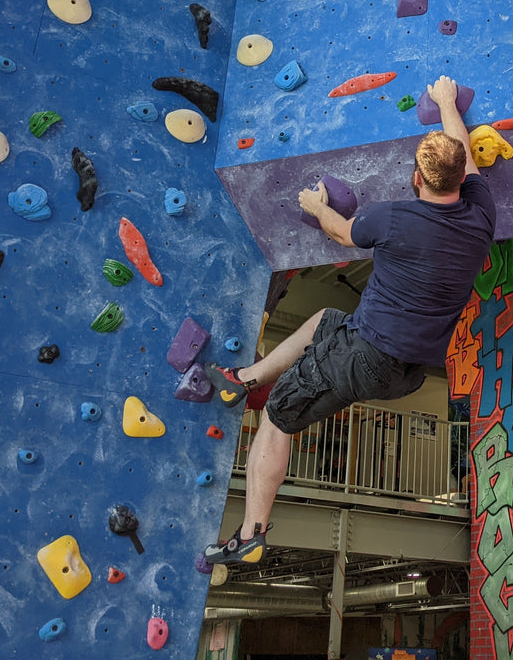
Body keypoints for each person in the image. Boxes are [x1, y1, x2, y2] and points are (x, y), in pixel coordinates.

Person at [202, 75, 497, 566]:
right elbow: (462, 151)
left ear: (416, 179)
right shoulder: (480, 219)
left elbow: (341, 233)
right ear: (460, 177)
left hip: (364, 357)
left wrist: (315, 206)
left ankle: (252, 533)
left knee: (277, 419)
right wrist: (449, 102)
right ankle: (243, 379)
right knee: (324, 319)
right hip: (407, 371)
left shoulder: (393, 217)